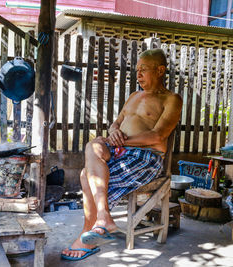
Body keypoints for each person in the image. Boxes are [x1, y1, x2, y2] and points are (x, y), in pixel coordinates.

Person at [61, 48, 183, 261]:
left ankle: (86, 236)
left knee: (84, 176)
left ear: (160, 70)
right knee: (93, 146)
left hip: (144, 157)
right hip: (120, 151)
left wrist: (122, 140)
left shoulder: (171, 99)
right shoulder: (134, 96)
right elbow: (116, 123)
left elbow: (158, 135)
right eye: (137, 70)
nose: (138, 75)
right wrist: (114, 132)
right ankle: (103, 217)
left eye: (143, 70)